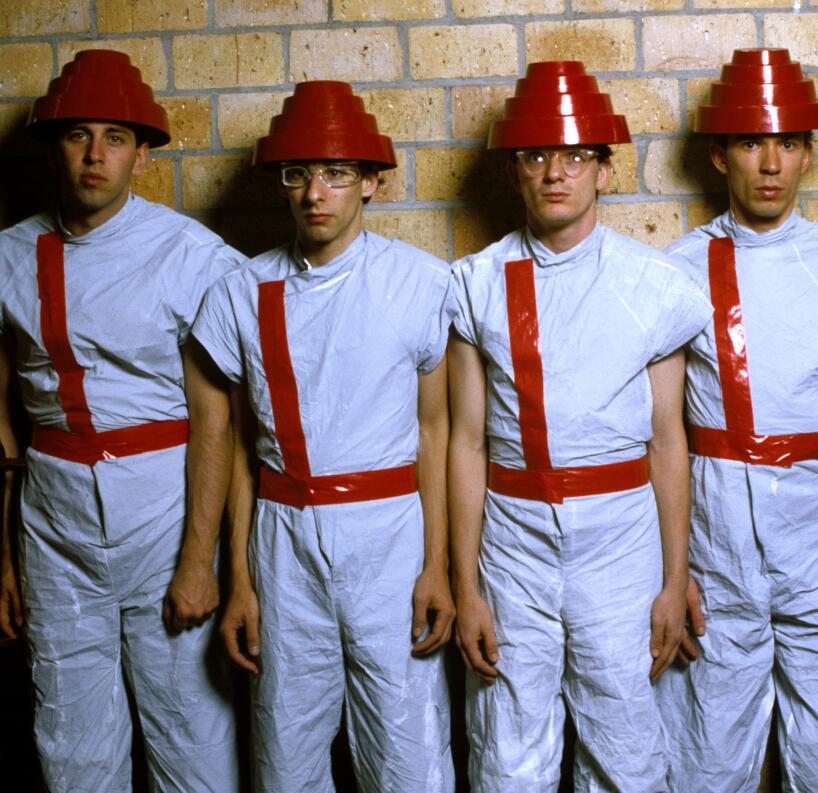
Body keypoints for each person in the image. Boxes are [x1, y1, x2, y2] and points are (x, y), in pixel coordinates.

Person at [448, 60, 711, 792]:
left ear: (603, 167)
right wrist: (466, 585)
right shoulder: (477, 282)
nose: (555, 173)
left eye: (574, 156)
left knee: (624, 737)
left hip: (619, 532)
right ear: (514, 170)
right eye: (536, 156)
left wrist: (673, 575)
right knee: (507, 745)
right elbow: (466, 443)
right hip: (513, 531)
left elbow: (668, 441)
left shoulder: (654, 286)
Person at [190, 81, 455, 792]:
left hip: (389, 533)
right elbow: (245, 451)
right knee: (285, 748)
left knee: (406, 748)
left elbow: (435, 432)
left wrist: (438, 565)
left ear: (371, 182)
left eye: (337, 173)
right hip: (283, 537)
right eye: (298, 173)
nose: (316, 193)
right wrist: (239, 579)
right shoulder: (242, 291)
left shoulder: (420, 284)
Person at [0, 49, 241, 792]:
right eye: (78, 136)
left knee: (189, 736)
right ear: (53, 148)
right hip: (53, 514)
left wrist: (201, 558)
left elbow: (217, 420)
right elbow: (5, 421)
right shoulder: (9, 254)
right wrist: (4, 553)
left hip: (163, 508)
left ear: (143, 153)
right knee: (70, 741)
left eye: (114, 137)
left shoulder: (191, 255)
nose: (95, 154)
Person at [656, 49, 818, 792]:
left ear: (808, 153)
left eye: (787, 143)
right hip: (718, 532)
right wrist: (676, 568)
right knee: (709, 751)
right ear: (719, 155)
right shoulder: (680, 269)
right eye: (752, 143)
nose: (770, 163)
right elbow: (669, 435)